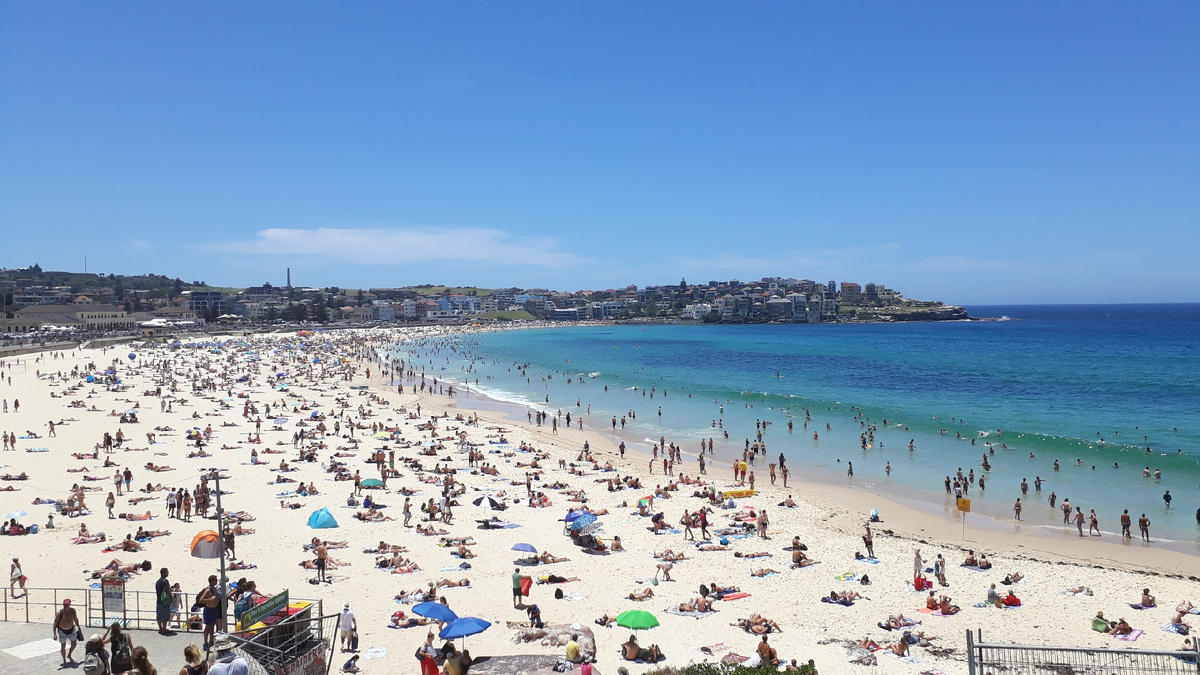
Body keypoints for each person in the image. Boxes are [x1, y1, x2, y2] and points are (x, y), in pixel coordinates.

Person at [197, 575, 222, 649]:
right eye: (215, 580)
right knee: (208, 627)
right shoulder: (207, 590)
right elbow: (201, 600)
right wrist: (211, 599)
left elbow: (217, 597)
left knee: (212, 627)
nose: (216, 581)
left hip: (214, 610)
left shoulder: (214, 589)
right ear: (211, 581)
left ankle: (211, 641)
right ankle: (205, 642)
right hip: (209, 610)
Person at [54, 598, 82, 663]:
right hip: (62, 630)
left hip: (71, 629)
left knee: (74, 644)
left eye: (67, 605)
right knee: (63, 646)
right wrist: (55, 634)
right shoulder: (59, 613)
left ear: (70, 604)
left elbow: (76, 619)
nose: (65, 606)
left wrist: (79, 628)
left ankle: (69, 655)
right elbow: (55, 623)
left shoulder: (73, 611)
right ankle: (64, 659)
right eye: (64, 605)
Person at [155, 568, 172, 635]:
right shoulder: (165, 581)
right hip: (164, 601)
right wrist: (171, 599)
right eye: (167, 572)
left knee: (159, 616)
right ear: (163, 573)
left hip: (158, 600)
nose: (168, 573)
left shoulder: (158, 581)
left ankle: (160, 628)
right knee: (165, 615)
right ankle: (164, 629)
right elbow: (167, 590)